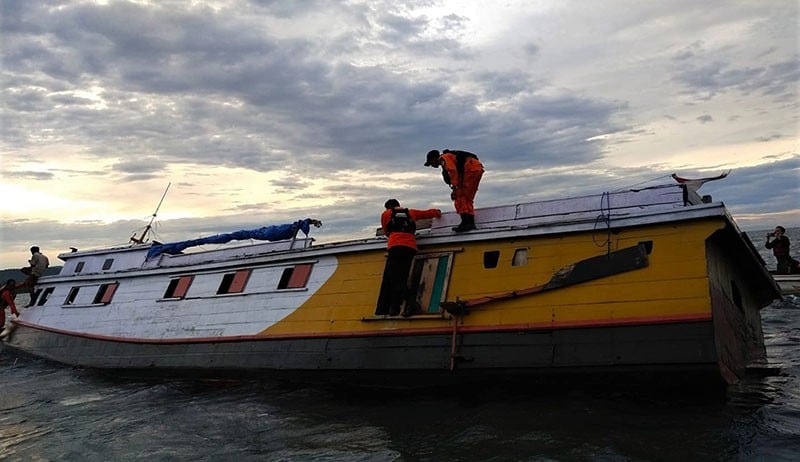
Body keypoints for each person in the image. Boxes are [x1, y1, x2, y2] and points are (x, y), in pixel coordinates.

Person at [375, 199, 442, 317]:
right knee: (403, 277)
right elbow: (426, 213)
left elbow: (386, 231)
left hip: (395, 247)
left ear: (388, 207)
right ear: (399, 205)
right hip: (410, 247)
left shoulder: (386, 214)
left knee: (394, 278)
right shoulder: (411, 212)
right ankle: (395, 309)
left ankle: (410, 303)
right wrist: (437, 212)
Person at [424, 149, 484, 232]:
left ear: (434, 158)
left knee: (459, 196)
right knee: (467, 198)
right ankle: (470, 222)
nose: (432, 165)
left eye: (431, 163)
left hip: (470, 169)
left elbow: (453, 171)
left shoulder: (443, 158)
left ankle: (466, 222)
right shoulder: (449, 157)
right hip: (476, 168)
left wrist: (455, 188)